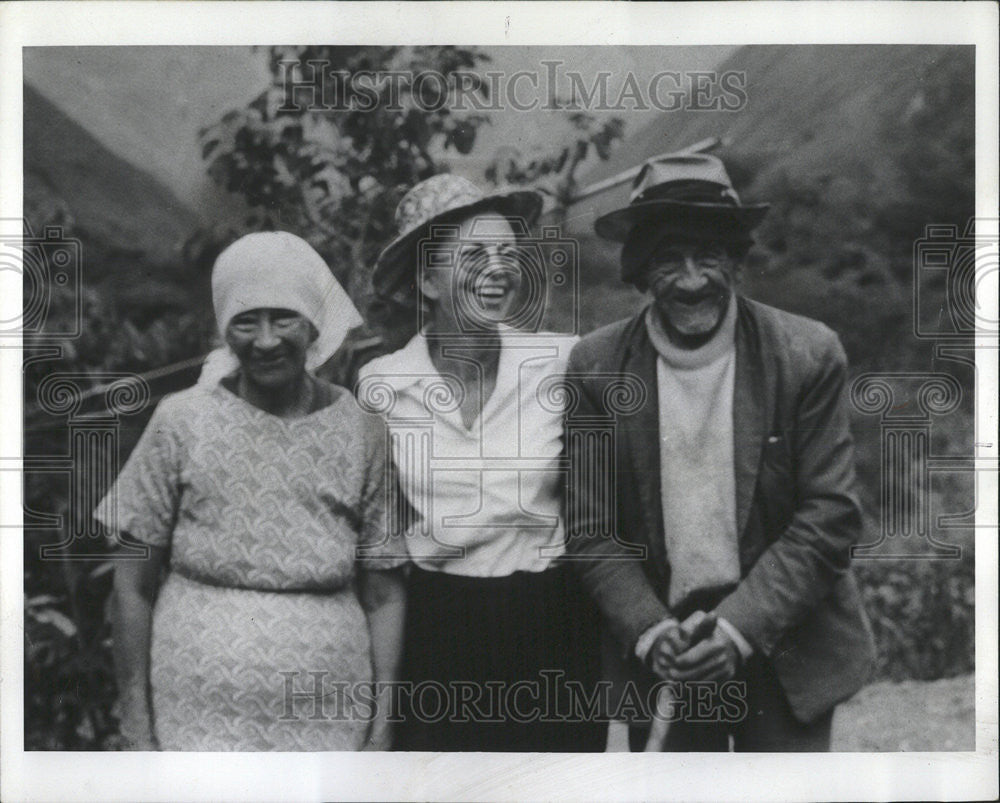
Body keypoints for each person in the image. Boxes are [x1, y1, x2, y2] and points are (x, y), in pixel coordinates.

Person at [564, 154, 876, 751]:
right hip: (667, 647)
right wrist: (651, 631)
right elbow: (591, 530)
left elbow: (829, 516)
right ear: (638, 270)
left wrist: (736, 629)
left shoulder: (807, 355)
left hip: (786, 633)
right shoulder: (597, 368)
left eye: (708, 256)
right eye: (666, 259)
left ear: (736, 260)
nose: (690, 279)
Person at [97, 231, 407, 751]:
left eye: (283, 317)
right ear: (224, 330)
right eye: (246, 320)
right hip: (194, 722)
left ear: (313, 323)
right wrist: (136, 731)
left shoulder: (361, 430)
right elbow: (132, 588)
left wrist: (382, 731)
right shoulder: (181, 421)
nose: (265, 340)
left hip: (326, 720)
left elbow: (383, 594)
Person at [358, 174, 604, 752]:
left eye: (507, 253)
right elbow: (380, 548)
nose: (498, 269)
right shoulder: (383, 386)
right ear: (427, 279)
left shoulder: (561, 362)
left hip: (552, 624)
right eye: (472, 255)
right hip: (440, 629)